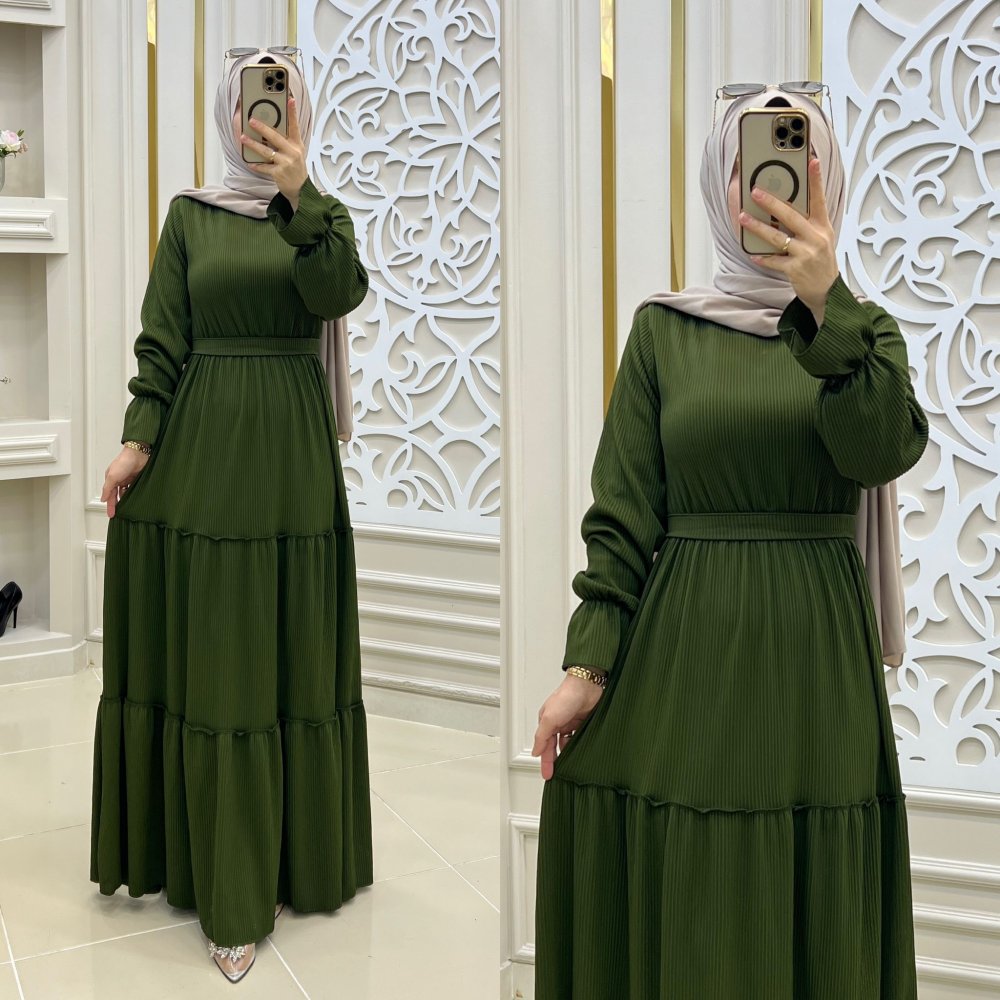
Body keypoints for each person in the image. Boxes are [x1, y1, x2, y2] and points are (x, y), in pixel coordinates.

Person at [532, 84, 927, 998]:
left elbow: (881, 451)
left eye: (796, 165)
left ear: (829, 182)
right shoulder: (664, 331)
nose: (773, 189)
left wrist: (825, 306)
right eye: (754, 166)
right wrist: (585, 668)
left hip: (818, 663)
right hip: (687, 653)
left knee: (810, 882)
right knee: (704, 888)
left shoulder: (864, 336)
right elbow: (622, 517)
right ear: (721, 180)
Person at [91, 48, 373, 983]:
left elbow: (339, 293)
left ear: (301, 111)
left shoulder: (320, 217)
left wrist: (301, 193)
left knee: (284, 660)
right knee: (221, 667)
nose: (265, 118)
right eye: (253, 102)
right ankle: (226, 883)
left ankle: (286, 862)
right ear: (228, 110)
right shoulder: (190, 216)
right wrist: (137, 440)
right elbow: (162, 339)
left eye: (280, 101)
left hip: (290, 462)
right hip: (203, 458)